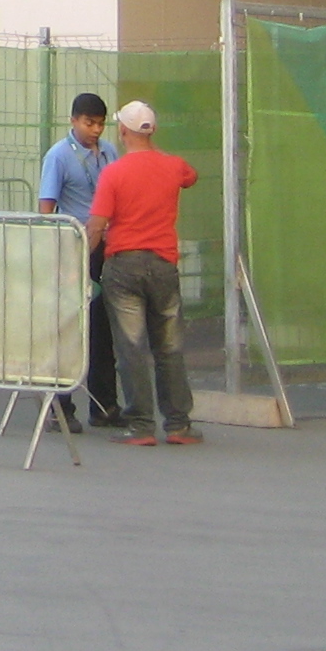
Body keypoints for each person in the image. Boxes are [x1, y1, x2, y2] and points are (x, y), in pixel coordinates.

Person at [89, 99, 199, 447]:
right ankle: (178, 424)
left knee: (131, 348)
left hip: (123, 265)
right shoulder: (173, 166)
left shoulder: (114, 173)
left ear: (122, 131)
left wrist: (84, 256)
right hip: (164, 263)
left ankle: (141, 425)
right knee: (169, 347)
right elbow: (190, 176)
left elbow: (97, 224)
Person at [37, 91, 119, 430]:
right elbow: (46, 206)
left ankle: (105, 407)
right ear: (73, 120)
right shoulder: (58, 156)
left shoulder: (110, 152)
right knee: (68, 326)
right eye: (89, 123)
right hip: (73, 248)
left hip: (105, 246)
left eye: (100, 124)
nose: (96, 130)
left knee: (103, 327)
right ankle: (60, 408)